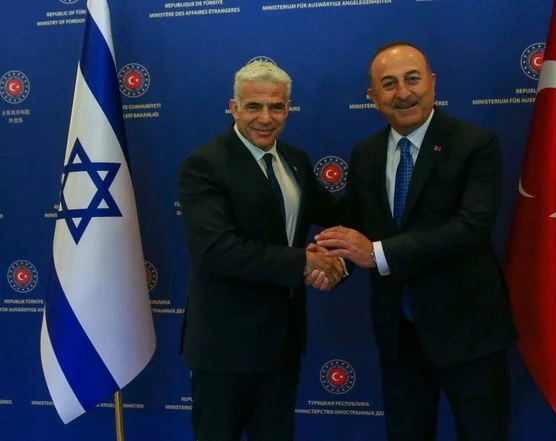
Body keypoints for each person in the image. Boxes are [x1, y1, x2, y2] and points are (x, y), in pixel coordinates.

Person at [315, 42, 517, 441]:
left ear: (433, 83)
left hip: (469, 334)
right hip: (399, 337)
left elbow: (470, 228)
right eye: (388, 84)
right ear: (373, 97)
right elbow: (358, 231)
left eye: (412, 79)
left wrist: (374, 253)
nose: (403, 93)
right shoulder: (366, 154)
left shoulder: (474, 144)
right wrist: (332, 261)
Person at [178, 60, 344, 441]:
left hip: (282, 343)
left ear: (288, 108)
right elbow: (218, 249)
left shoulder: (296, 161)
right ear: (234, 108)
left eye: (276, 107)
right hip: (224, 346)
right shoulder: (205, 165)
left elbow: (338, 218)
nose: (266, 118)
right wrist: (305, 261)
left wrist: (343, 255)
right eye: (254, 107)